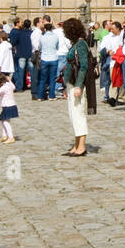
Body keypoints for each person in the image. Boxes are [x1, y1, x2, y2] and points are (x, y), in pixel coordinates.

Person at [61, 17, 90, 156]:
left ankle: (82, 146)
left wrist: (78, 86)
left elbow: (83, 66)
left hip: (78, 84)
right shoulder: (75, 44)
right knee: (74, 115)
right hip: (71, 84)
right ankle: (76, 144)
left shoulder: (81, 44)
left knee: (79, 114)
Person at [38, 20, 61, 100]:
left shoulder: (42, 37)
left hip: (44, 58)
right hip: (54, 58)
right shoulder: (55, 36)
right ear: (51, 28)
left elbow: (39, 47)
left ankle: (40, 96)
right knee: (52, 78)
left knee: (43, 78)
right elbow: (58, 47)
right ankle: (51, 95)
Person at [0, 72, 19, 145]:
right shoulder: (9, 85)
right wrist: (10, 81)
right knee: (3, 120)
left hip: (7, 106)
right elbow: (14, 87)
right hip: (11, 105)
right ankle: (5, 135)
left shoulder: (4, 87)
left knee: (5, 121)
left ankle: (11, 137)